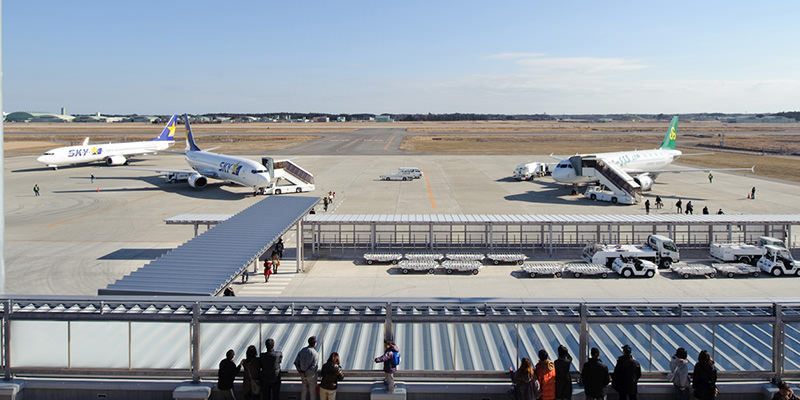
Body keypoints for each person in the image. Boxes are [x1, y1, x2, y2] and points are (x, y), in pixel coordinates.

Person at [294, 336, 319, 400]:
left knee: (304, 392)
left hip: (302, 375)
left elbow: (296, 362)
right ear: (315, 344)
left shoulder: (302, 350)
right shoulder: (315, 354)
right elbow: (314, 366)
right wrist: (307, 373)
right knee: (312, 393)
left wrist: (301, 372)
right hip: (311, 376)